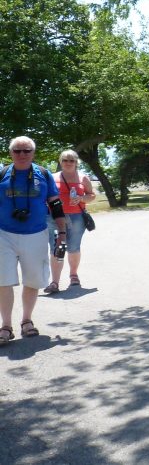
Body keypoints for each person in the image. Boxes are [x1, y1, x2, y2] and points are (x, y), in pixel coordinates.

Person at [0, 137, 66, 344]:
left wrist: (62, 232)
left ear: (33, 153)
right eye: (17, 151)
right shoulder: (2, 174)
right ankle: (6, 326)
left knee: (33, 279)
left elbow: (55, 204)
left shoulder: (44, 174)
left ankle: (26, 320)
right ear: (10, 153)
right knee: (3, 280)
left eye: (26, 150)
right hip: (4, 235)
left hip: (36, 234)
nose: (22, 154)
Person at [44, 150, 96, 293]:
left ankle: (73, 275)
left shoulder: (83, 178)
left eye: (71, 160)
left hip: (76, 217)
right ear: (60, 162)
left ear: (76, 162)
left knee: (73, 248)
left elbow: (91, 195)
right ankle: (55, 282)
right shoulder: (52, 177)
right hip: (54, 218)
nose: (68, 163)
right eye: (65, 160)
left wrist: (81, 198)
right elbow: (44, 196)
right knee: (57, 247)